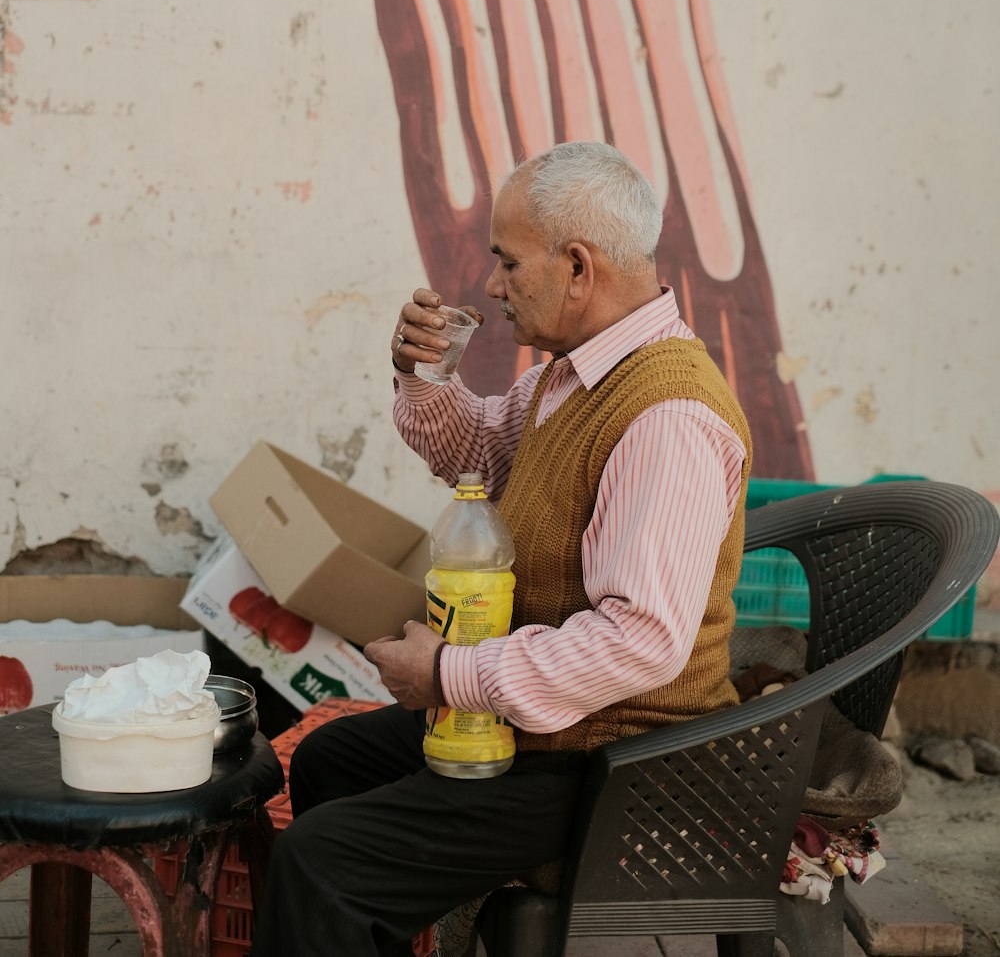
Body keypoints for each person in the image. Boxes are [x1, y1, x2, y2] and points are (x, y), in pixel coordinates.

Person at [249, 141, 752, 957]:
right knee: (332, 761)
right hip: (540, 730)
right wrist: (424, 374)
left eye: (506, 262)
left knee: (321, 864)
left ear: (579, 268)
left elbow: (640, 642)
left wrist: (449, 673)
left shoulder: (668, 418)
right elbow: (480, 453)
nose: (489, 287)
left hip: (612, 764)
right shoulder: (570, 376)